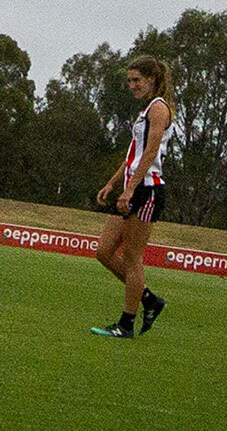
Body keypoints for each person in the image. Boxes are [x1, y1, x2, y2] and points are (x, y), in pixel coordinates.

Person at [90, 55, 174, 338]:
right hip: (132, 186)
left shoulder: (159, 109)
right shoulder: (145, 110)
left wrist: (130, 189)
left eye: (137, 80)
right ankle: (148, 299)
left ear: (152, 80)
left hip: (147, 190)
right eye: (129, 81)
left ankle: (126, 324)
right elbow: (133, 154)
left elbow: (150, 154)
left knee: (133, 256)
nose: (132, 85)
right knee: (104, 251)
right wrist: (113, 183)